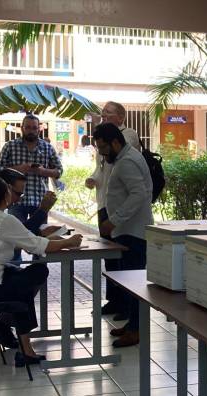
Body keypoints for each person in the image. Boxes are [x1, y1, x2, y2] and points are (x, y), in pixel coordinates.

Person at [0, 176, 82, 366]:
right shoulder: (4, 219)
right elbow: (38, 246)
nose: (17, 196)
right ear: (5, 196)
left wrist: (42, 238)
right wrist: (69, 241)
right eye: (14, 192)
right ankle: (21, 344)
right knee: (36, 273)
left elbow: (19, 240)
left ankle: (22, 345)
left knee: (19, 279)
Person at [93, 123, 153, 347]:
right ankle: (132, 325)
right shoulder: (124, 158)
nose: (102, 153)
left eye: (103, 147)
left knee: (135, 284)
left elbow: (138, 194)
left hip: (132, 233)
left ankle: (137, 330)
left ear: (115, 142)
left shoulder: (127, 161)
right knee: (129, 283)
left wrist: (114, 220)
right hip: (127, 231)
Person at [86, 102, 141, 317]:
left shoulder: (128, 136)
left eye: (108, 113)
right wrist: (93, 178)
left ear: (121, 117)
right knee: (109, 256)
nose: (104, 116)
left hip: (121, 208)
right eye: (103, 113)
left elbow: (117, 162)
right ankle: (114, 300)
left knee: (124, 258)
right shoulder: (104, 140)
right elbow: (101, 169)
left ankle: (127, 305)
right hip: (104, 202)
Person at [0, 114, 63, 228]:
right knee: (16, 235)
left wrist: (43, 171)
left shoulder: (47, 148)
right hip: (16, 201)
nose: (31, 131)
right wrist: (19, 168)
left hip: (40, 201)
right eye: (28, 127)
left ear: (39, 129)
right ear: (22, 128)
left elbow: (59, 171)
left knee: (40, 235)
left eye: (34, 128)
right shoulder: (10, 146)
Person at [0, 168, 58, 235]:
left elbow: (14, 232)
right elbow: (18, 233)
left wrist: (40, 232)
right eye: (18, 194)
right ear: (7, 189)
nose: (19, 199)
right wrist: (43, 210)